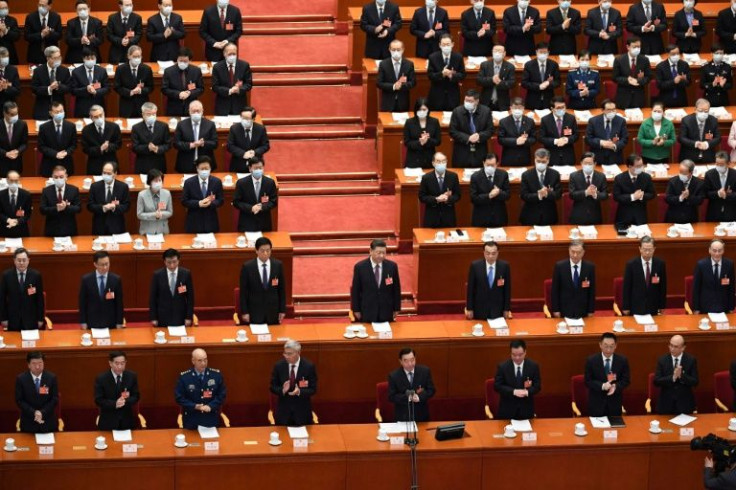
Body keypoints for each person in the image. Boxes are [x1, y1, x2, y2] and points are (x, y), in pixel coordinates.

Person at [350, 239, 401, 322]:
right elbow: (356, 290)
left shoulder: (392, 267)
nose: (381, 256)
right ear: (370, 251)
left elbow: (396, 289)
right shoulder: (360, 267)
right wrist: (356, 310)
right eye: (378, 253)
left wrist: (396, 308)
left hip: (386, 310)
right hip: (367, 311)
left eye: (384, 253)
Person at [174, 348, 226, 430]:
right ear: (193, 361)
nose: (203, 363)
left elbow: (222, 395)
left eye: (205, 360)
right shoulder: (185, 377)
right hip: (191, 420)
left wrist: (210, 406)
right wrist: (194, 406)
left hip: (211, 418)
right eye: (200, 360)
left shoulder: (216, 375)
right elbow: (179, 398)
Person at [239, 237, 286, 325]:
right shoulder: (248, 267)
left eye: (268, 250)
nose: (265, 253)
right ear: (256, 251)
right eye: (262, 250)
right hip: (254, 312)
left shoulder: (278, 265)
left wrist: (282, 310)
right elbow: (243, 292)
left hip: (273, 312)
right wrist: (245, 312)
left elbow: (281, 290)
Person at [269, 340, 317, 426]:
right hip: (283, 414)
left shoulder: (308, 367)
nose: (286, 356)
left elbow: (313, 389)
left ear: (298, 352)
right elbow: (273, 387)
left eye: (290, 354)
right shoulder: (279, 366)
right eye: (285, 353)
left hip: (302, 414)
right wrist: (283, 390)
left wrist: (299, 391)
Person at [584, 332, 630, 416]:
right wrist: (602, 386)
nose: (608, 350)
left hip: (614, 404)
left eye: (611, 346)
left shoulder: (622, 361)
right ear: (600, 345)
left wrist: (615, 386)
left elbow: (626, 380)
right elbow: (588, 381)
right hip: (596, 405)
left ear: (616, 346)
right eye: (606, 346)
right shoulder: (591, 360)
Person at [494, 340, 541, 419]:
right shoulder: (503, 367)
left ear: (525, 352)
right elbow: (497, 386)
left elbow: (537, 386)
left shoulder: (533, 366)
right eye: (514, 355)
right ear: (510, 353)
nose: (517, 358)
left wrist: (527, 392)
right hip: (507, 411)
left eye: (520, 355)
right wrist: (513, 391)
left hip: (526, 411)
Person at [94, 351, 140, 430]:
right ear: (110, 363)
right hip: (108, 422)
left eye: (122, 363)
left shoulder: (131, 376)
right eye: (117, 363)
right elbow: (98, 400)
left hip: (127, 421)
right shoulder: (101, 379)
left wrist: (125, 401)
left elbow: (136, 396)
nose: (120, 367)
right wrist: (115, 404)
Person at [0, 248, 44, 331]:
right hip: (12, 320)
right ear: (14, 261)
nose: (21, 263)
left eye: (24, 260)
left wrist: (40, 319)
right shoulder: (6, 276)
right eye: (19, 260)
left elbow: (39, 299)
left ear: (28, 260)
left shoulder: (36, 276)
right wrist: (3, 318)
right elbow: (2, 299)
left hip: (31, 320)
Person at [466, 241, 511, 320]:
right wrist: (469, 308)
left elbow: (507, 290)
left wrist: (506, 309)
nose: (490, 256)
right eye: (488, 253)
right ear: (483, 253)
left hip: (498, 310)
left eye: (493, 253)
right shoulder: (475, 266)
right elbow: (470, 289)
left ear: (498, 253)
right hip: (479, 309)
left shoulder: (504, 266)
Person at [622, 236, 667, 315]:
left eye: (649, 250)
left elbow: (663, 287)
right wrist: (626, 307)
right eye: (645, 249)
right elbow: (627, 288)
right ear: (640, 249)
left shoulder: (660, 264)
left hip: (653, 307)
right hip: (636, 307)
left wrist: (662, 306)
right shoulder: (631, 265)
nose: (647, 252)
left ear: (654, 249)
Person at [387, 347, 435, 422]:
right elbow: (391, 397)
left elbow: (431, 390)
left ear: (415, 359)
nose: (410, 364)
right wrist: (409, 397)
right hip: (402, 417)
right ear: (400, 361)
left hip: (421, 417)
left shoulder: (425, 371)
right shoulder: (394, 376)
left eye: (412, 360)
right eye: (406, 361)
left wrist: (419, 397)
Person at [653, 335, 698, 414]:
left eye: (676, 347)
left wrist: (681, 376)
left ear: (683, 348)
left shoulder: (691, 360)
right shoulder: (662, 360)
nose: (672, 349)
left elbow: (695, 382)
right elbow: (656, 381)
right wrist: (673, 377)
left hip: (685, 404)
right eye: (671, 345)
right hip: (666, 404)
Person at [79, 251, 124, 329]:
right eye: (102, 265)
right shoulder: (86, 280)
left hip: (110, 323)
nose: (105, 267)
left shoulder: (116, 280)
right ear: (95, 264)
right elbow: (82, 303)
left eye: (107, 264)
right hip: (92, 322)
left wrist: (119, 322)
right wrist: (83, 322)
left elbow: (119, 304)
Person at [15, 351, 58, 433]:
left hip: (48, 422)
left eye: (40, 363)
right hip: (28, 422)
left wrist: (42, 412)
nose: (37, 366)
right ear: (28, 365)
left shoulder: (51, 378)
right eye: (34, 363)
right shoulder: (21, 379)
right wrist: (34, 413)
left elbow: (54, 399)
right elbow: (19, 400)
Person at [150, 248, 194, 327]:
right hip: (162, 317)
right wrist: (154, 317)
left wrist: (189, 317)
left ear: (178, 260)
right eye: (169, 262)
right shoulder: (157, 275)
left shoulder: (186, 274)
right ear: (164, 261)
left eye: (174, 262)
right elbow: (153, 298)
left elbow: (190, 297)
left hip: (181, 316)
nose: (172, 265)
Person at [551, 240, 596, 318]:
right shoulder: (560, 266)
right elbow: (555, 290)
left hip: (583, 311)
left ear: (583, 252)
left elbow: (592, 291)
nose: (575, 255)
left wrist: (590, 311)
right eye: (573, 252)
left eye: (578, 252)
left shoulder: (589, 267)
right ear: (569, 250)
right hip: (564, 310)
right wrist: (556, 310)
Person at [449, 89, 493, 168]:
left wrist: (479, 136)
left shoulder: (486, 111)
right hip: (462, 151)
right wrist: (468, 138)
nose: (467, 103)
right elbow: (452, 131)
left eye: (470, 101)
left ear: (477, 101)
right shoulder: (457, 111)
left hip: (480, 150)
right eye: (466, 100)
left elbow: (490, 130)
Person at [232, 158, 278, 232]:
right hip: (247, 222)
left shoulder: (270, 183)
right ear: (250, 169)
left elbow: (273, 201)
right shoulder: (241, 183)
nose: (258, 170)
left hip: (264, 223)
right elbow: (236, 202)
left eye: (260, 168)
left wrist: (261, 207)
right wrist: (251, 208)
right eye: (256, 168)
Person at [692, 239, 735, 314]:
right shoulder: (701, 265)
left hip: (724, 308)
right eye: (714, 250)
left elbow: (731, 288)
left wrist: (731, 307)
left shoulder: (729, 264)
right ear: (709, 250)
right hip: (705, 308)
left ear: (723, 250)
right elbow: (696, 289)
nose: (717, 253)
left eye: (719, 250)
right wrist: (696, 308)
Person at [519, 149, 561, 226]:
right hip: (530, 216)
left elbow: (558, 195)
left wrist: (547, 194)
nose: (540, 163)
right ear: (535, 160)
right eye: (538, 161)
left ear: (548, 161)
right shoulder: (526, 175)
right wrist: (538, 195)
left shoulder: (555, 174)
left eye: (543, 162)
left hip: (549, 215)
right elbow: (523, 195)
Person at [181, 157, 223, 233]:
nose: (204, 171)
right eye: (202, 169)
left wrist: (211, 203)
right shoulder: (189, 182)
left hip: (211, 222)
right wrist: (198, 203)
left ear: (210, 168)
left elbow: (220, 200)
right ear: (197, 168)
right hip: (194, 222)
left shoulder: (217, 182)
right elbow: (184, 201)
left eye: (206, 168)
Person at [418, 152, 460, 227]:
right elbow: (422, 197)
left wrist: (448, 199)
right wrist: (436, 199)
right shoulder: (426, 178)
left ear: (446, 162)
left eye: (443, 161)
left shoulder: (453, 176)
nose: (441, 164)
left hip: (448, 217)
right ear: (433, 163)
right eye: (438, 161)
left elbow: (457, 195)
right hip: (432, 217)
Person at [87, 162, 130, 235]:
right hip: (99, 227)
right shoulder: (95, 187)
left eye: (109, 173)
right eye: (104, 173)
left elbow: (127, 206)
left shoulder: (123, 187)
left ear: (115, 174)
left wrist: (114, 207)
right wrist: (103, 208)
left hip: (117, 227)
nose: (106, 175)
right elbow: (90, 206)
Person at [613, 154, 655, 226]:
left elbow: (652, 194)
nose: (641, 168)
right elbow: (616, 197)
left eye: (642, 165)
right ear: (630, 166)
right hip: (624, 216)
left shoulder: (646, 177)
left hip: (640, 216)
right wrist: (633, 197)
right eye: (638, 166)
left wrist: (641, 196)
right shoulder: (619, 178)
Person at [175, 102, 218, 173]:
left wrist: (203, 143)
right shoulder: (181, 125)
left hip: (205, 164)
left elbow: (215, 143)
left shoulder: (210, 124)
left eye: (198, 111)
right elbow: (176, 143)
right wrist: (191, 145)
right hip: (186, 163)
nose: (196, 113)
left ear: (202, 111)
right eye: (193, 111)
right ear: (189, 111)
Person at [426, 34, 465, 111]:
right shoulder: (433, 57)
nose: (446, 47)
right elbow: (430, 75)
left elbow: (463, 74)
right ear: (440, 45)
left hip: (453, 95)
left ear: (452, 44)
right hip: (437, 95)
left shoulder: (458, 57)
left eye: (448, 44)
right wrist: (442, 74)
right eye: (443, 44)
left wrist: (451, 75)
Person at [30, 46, 70, 121]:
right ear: (48, 58)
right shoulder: (38, 71)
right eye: (55, 58)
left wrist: (59, 86)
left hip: (59, 109)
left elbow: (68, 88)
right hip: (42, 109)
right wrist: (49, 89)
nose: (58, 60)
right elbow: (34, 89)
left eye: (59, 57)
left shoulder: (64, 70)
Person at [39, 165, 81, 237]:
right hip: (51, 229)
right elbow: (42, 210)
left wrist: (66, 207)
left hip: (69, 229)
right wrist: (56, 208)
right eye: (56, 177)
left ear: (66, 177)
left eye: (61, 177)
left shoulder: (74, 190)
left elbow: (78, 208)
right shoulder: (46, 191)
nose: (59, 179)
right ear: (52, 177)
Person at [470, 153, 510, 227]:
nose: (490, 167)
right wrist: (489, 195)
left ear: (497, 164)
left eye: (492, 165)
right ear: (483, 163)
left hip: (499, 217)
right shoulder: (475, 177)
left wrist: (498, 193)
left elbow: (507, 195)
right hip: (481, 218)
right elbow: (474, 198)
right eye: (488, 165)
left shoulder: (503, 174)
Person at [568, 152, 608, 225]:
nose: (587, 165)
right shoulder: (574, 176)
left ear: (595, 164)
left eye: (590, 164)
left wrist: (595, 194)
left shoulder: (601, 176)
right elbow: (572, 194)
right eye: (585, 163)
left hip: (595, 215)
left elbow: (605, 195)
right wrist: (586, 192)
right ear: (581, 163)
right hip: (578, 216)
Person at [212, 43, 252, 116]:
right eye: (230, 54)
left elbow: (248, 84)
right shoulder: (217, 67)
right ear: (224, 54)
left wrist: (239, 89)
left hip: (239, 105)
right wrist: (229, 91)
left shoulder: (244, 65)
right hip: (223, 105)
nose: (232, 56)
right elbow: (215, 86)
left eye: (234, 54)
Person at [162, 47, 204, 117]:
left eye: (185, 61)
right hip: (174, 108)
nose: (182, 63)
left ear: (190, 61)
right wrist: (178, 94)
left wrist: (190, 93)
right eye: (180, 60)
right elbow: (164, 89)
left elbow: (201, 89)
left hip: (191, 108)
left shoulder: (196, 71)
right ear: (177, 59)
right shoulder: (168, 71)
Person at [114, 45, 154, 118]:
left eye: (139, 56)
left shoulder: (146, 69)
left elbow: (150, 87)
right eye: (135, 56)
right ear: (129, 56)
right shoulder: (120, 69)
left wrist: (141, 91)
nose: (137, 59)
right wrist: (130, 92)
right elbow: (117, 87)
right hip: (126, 106)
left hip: (142, 106)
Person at [226, 107, 269, 172]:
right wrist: (243, 154)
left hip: (255, 164)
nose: (244, 120)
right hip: (238, 164)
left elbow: (265, 145)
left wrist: (255, 152)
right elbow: (230, 146)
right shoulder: (234, 128)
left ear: (253, 119)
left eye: (247, 118)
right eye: (243, 118)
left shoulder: (260, 129)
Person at [38, 102, 76, 176]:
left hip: (66, 164)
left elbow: (74, 145)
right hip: (49, 165)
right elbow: (41, 146)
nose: (59, 113)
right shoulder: (44, 127)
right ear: (51, 113)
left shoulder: (71, 126)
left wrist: (66, 152)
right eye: (56, 112)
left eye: (61, 111)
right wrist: (55, 154)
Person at [585, 99, 628, 166]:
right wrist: (601, 142)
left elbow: (625, 139)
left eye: (613, 110)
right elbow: (588, 139)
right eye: (608, 110)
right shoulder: (593, 121)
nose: (611, 112)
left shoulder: (621, 121)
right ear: (602, 110)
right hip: (598, 157)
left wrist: (614, 145)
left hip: (615, 158)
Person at [678, 98, 721, 164]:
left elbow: (718, 138)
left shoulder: (713, 121)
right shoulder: (686, 120)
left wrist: (707, 144)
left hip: (708, 157)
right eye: (701, 111)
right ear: (695, 110)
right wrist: (695, 144)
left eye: (706, 111)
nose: (703, 113)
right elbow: (681, 138)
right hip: (689, 158)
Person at [377, 40, 415, 112]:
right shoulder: (383, 64)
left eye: (398, 50)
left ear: (403, 50)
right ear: (389, 50)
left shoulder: (409, 64)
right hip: (388, 102)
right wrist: (394, 86)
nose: (396, 52)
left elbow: (413, 82)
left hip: (403, 102)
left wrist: (401, 86)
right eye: (393, 50)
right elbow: (379, 83)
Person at [81, 106, 122, 175]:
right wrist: (100, 149)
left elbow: (118, 144)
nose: (99, 118)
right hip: (94, 164)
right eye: (96, 117)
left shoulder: (114, 127)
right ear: (91, 118)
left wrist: (108, 146)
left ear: (104, 114)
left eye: (101, 115)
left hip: (111, 162)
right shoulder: (86, 130)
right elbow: (86, 149)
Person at [612, 37, 651, 109]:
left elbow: (648, 77)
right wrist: (627, 80)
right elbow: (615, 77)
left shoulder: (644, 60)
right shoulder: (619, 60)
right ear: (628, 47)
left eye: (638, 47)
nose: (637, 49)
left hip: (638, 96)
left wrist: (638, 81)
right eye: (634, 47)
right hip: (623, 97)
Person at [131, 102, 170, 173]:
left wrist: (158, 148)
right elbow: (134, 147)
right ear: (143, 114)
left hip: (159, 163)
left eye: (154, 114)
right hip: (143, 164)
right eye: (148, 114)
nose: (151, 116)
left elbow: (168, 144)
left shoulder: (163, 126)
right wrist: (147, 147)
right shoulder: (136, 128)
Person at [497, 97, 537, 167]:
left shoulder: (530, 121)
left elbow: (534, 138)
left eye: (520, 108)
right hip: (508, 157)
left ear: (523, 108)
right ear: (511, 108)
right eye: (515, 108)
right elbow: (500, 139)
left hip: (525, 157)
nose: (517, 110)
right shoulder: (503, 122)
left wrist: (525, 141)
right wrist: (515, 141)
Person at [521, 42, 560, 110]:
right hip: (532, 100)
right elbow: (524, 83)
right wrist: (538, 86)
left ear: (548, 53)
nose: (542, 54)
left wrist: (548, 83)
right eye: (540, 52)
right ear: (536, 52)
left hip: (549, 100)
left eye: (545, 52)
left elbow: (558, 82)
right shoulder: (529, 65)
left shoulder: (553, 65)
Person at [403, 98, 441, 168]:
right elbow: (407, 142)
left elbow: (438, 141)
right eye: (420, 109)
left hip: (429, 158)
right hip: (413, 159)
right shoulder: (409, 122)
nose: (422, 111)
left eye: (424, 110)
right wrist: (420, 142)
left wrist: (428, 140)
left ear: (428, 110)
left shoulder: (434, 122)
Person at [540, 96, 577, 166]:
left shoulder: (571, 118)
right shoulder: (545, 120)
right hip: (552, 156)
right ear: (552, 109)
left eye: (563, 107)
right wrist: (556, 141)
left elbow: (576, 135)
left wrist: (567, 140)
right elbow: (542, 138)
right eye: (558, 108)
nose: (561, 110)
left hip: (568, 156)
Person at [71, 49, 109, 118]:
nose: (90, 60)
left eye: (92, 58)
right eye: (88, 58)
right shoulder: (76, 72)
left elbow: (107, 88)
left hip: (98, 107)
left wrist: (96, 92)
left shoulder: (102, 71)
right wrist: (86, 89)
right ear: (83, 59)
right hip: (82, 108)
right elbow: (73, 91)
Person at [477, 45, 515, 111]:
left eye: (500, 51)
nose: (497, 53)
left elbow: (512, 84)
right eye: (495, 51)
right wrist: (491, 80)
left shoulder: (510, 67)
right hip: (486, 102)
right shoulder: (484, 65)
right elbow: (479, 80)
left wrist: (500, 82)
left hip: (502, 102)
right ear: (492, 52)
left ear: (504, 53)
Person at [23, 0, 62, 65]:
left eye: (43, 5)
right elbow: (27, 36)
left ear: (50, 6)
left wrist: (49, 33)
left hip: (52, 55)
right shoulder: (30, 17)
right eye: (39, 5)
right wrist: (41, 34)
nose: (40, 7)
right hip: (35, 55)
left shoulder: (56, 17)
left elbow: (59, 35)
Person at [137, 169, 173, 234]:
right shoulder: (142, 195)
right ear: (150, 182)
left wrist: (161, 214)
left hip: (163, 230)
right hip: (147, 231)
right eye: (156, 181)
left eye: (160, 180)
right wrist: (154, 215)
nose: (158, 183)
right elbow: (139, 214)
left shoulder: (167, 193)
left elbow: (170, 212)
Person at [107, 0, 142, 64]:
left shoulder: (137, 18)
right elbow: (109, 35)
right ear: (120, 6)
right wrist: (120, 41)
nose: (130, 7)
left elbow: (139, 35)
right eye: (127, 5)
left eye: (131, 5)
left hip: (132, 52)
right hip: (117, 52)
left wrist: (129, 41)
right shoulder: (112, 18)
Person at [705, 152, 736, 222]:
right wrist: (717, 193)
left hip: (731, 212)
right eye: (716, 164)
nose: (718, 166)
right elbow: (705, 193)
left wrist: (727, 195)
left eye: (721, 164)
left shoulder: (734, 175)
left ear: (728, 164)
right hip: (714, 213)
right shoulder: (709, 174)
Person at [0, 171, 32, 237]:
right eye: (11, 181)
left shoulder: (26, 195)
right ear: (7, 180)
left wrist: (17, 221)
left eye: (16, 181)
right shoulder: (1, 195)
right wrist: (8, 220)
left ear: (19, 181)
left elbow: (28, 214)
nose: (14, 183)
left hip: (21, 230)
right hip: (4, 230)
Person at [0, 102, 26, 177]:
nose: (15, 117)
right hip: (2, 163)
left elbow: (24, 144)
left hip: (16, 164)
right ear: (5, 114)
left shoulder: (22, 124)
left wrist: (18, 151)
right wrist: (5, 153)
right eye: (12, 114)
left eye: (16, 114)